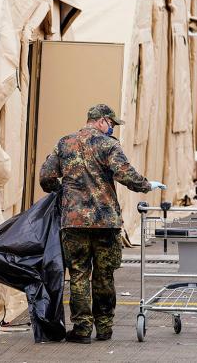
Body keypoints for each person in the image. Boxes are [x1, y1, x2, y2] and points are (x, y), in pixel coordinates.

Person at [39, 103, 165, 344]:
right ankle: (104, 328)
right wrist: (147, 185)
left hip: (74, 222)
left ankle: (82, 329)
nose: (112, 128)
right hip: (106, 222)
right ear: (101, 121)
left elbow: (46, 177)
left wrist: (64, 193)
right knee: (104, 275)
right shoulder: (109, 145)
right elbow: (126, 174)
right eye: (111, 123)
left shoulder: (64, 143)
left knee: (78, 274)